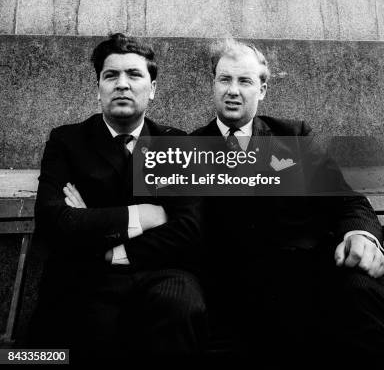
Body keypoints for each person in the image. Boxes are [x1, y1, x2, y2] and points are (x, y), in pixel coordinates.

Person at [191, 38, 384, 363]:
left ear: (262, 89)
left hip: (308, 278)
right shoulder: (189, 148)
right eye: (224, 79)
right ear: (213, 84)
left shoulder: (293, 137)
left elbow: (346, 201)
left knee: (362, 290)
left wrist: (360, 235)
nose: (233, 91)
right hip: (237, 292)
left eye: (245, 81)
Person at [30, 34, 206, 361]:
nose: (122, 84)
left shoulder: (176, 143)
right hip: (85, 278)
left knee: (180, 305)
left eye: (134, 75)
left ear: (152, 88)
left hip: (160, 273)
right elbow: (54, 221)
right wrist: (143, 215)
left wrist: (107, 245)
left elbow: (188, 230)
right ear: (98, 87)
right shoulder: (68, 140)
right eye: (111, 75)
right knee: (78, 328)